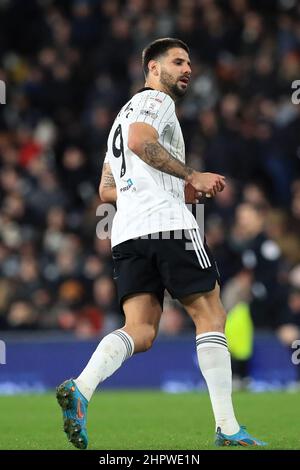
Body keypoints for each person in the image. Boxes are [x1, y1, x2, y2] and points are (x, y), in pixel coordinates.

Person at [56, 38, 266, 449]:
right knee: (211, 315)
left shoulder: (119, 118)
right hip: (166, 226)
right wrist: (190, 177)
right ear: (153, 68)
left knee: (141, 330)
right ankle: (227, 427)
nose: (187, 68)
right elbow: (140, 142)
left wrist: (167, 188)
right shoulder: (156, 100)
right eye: (178, 61)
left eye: (189, 62)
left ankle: (81, 388)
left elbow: (106, 188)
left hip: (127, 231)